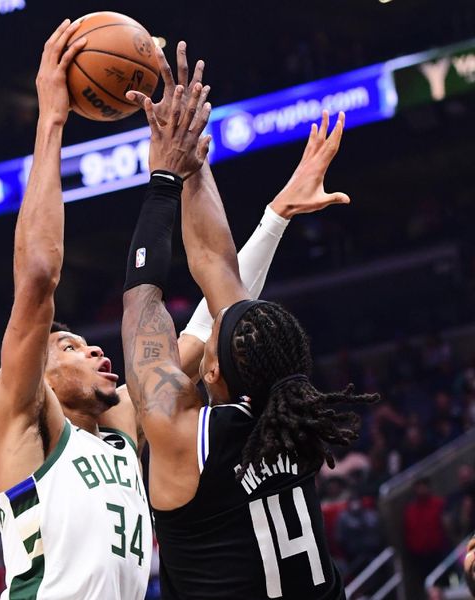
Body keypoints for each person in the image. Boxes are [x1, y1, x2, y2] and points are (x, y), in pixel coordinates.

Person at [121, 45, 378, 598]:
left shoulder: (182, 436)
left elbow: (142, 302)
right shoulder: (292, 416)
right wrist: (195, 163)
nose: (210, 323)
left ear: (212, 369)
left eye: (213, 332)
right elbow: (217, 268)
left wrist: (167, 177)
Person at [0, 20, 151, 599]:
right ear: (43, 377)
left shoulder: (122, 434)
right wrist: (52, 119)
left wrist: (273, 217)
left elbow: (211, 323)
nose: (95, 347)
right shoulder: (28, 424)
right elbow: (36, 278)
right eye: (69, 346)